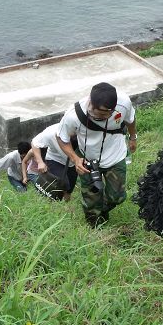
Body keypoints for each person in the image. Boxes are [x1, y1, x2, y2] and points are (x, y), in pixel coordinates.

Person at [57, 82, 137, 227]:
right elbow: (61, 138)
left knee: (117, 197)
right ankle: (94, 224)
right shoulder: (73, 115)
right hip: (87, 159)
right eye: (100, 114)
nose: (105, 117)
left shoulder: (124, 103)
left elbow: (130, 120)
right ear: (90, 103)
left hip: (115, 156)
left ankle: (101, 209)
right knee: (91, 199)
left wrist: (133, 137)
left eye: (108, 114)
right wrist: (75, 159)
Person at [30, 123, 77, 202]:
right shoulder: (51, 132)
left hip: (74, 162)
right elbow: (35, 143)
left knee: (69, 189)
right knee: (62, 186)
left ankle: (66, 205)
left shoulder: (85, 132)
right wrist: (40, 162)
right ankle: (52, 203)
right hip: (55, 159)